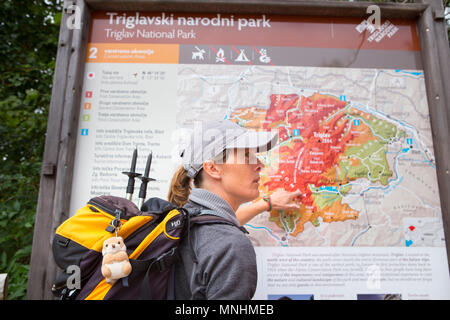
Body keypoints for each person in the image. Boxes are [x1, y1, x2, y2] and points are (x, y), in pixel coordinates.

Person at [168, 119, 279, 300]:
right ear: (213, 168)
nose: (260, 164)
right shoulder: (230, 245)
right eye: (247, 156)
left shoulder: (180, 223)